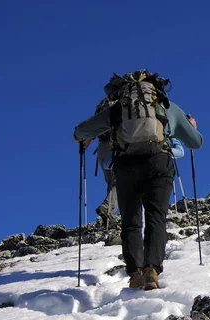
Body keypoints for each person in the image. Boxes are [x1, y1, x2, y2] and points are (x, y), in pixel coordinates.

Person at [73, 71, 203, 290]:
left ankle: (134, 274)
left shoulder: (118, 109)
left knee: (131, 222)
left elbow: (80, 131)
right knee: (156, 217)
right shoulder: (168, 108)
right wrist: (191, 126)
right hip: (159, 162)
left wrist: (83, 137)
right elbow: (196, 142)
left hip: (126, 166)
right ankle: (151, 270)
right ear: (155, 88)